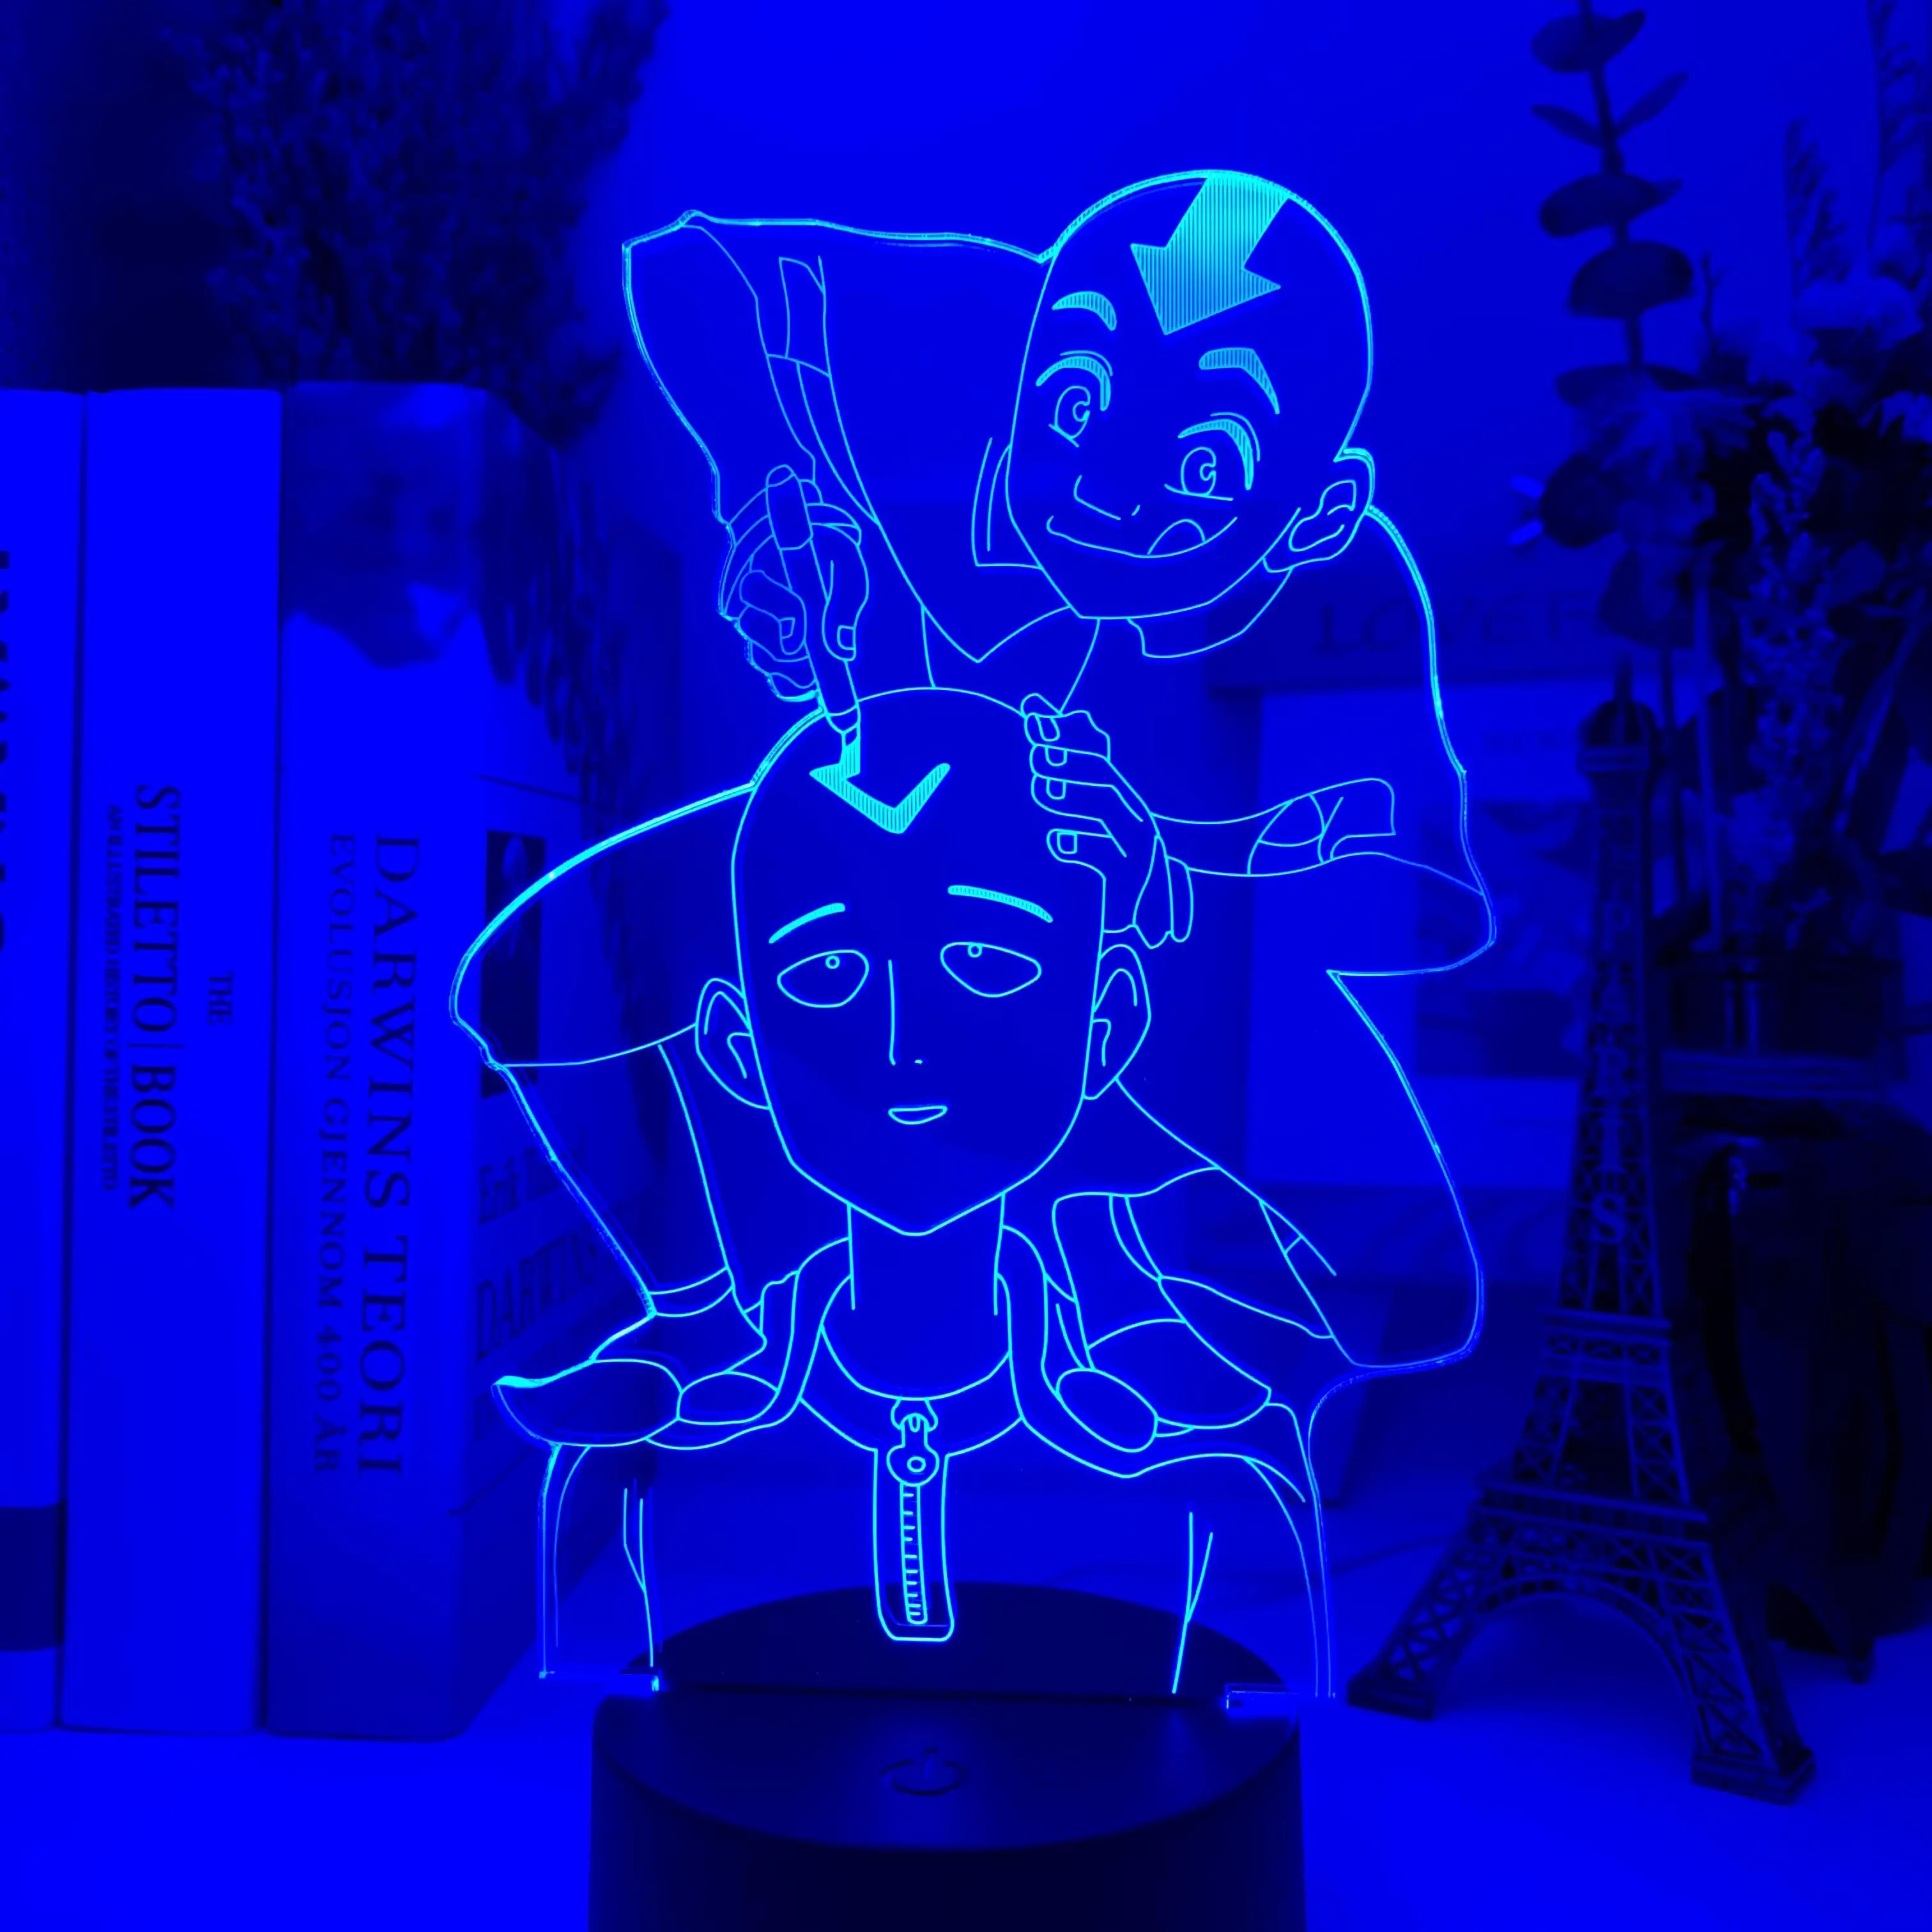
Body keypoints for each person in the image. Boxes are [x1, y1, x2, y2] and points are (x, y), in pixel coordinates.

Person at [487, 688, 1450, 1694]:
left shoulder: (1205, 1453)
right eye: (828, 973)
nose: (905, 1047)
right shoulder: (651, 1447)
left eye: (987, 963)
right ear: (738, 1044)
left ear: (1109, 1020)